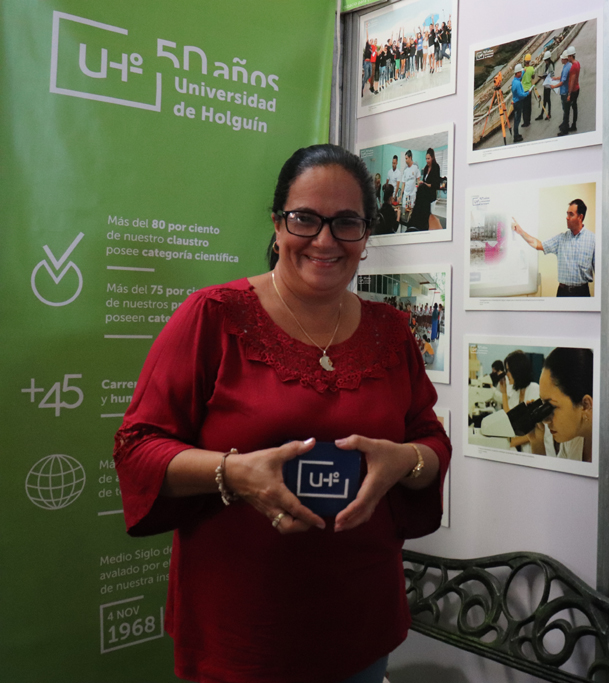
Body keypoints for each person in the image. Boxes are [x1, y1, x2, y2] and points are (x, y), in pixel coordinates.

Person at [112, 144, 451, 682]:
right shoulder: (213, 317)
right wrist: (232, 472)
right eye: (305, 219)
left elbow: (431, 442)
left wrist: (404, 460)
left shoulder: (391, 332)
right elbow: (138, 448)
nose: (324, 240)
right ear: (276, 224)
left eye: (346, 223)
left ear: (366, 238)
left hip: (363, 622)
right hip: (244, 632)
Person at [512, 199, 595, 297]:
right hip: (563, 293)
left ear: (580, 217)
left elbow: (601, 273)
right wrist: (521, 232)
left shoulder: (593, 239)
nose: (567, 218)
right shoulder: (561, 239)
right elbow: (537, 244)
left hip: (583, 293)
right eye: (567, 214)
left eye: (571, 214)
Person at [526, 347, 594, 462]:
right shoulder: (571, 438)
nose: (546, 420)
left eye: (551, 407)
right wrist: (537, 442)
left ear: (585, 405)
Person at [498, 350, 543, 454]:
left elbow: (536, 431)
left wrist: (512, 442)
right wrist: (504, 392)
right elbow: (508, 419)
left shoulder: (535, 390)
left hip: (539, 451)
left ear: (517, 370)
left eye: (509, 370)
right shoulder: (516, 393)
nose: (507, 374)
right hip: (524, 451)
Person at [408, 147, 441, 232]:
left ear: (432, 158)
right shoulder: (426, 168)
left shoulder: (436, 167)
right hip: (424, 192)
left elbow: (436, 185)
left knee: (421, 189)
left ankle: (418, 217)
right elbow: (424, 181)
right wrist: (423, 183)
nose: (427, 160)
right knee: (420, 188)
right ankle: (418, 216)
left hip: (431, 193)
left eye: (428, 159)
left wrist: (426, 184)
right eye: (426, 159)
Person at [557, 46, 581, 137]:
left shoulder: (573, 67)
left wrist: (569, 94)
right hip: (577, 88)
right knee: (574, 107)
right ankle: (573, 125)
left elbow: (572, 81)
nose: (568, 58)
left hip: (573, 90)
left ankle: (565, 129)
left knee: (566, 110)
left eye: (568, 56)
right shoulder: (577, 63)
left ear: (571, 56)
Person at [510, 63, 533, 143]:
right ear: (517, 73)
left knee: (517, 120)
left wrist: (523, 71)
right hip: (518, 103)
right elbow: (521, 94)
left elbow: (520, 77)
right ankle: (516, 136)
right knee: (517, 120)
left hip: (516, 102)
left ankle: (517, 134)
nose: (521, 73)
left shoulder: (514, 81)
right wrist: (528, 93)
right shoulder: (518, 83)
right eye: (520, 72)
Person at [535, 50, 556, 121]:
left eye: (545, 60)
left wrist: (545, 77)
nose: (545, 61)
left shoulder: (550, 65)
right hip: (546, 84)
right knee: (545, 100)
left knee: (548, 100)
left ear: (548, 59)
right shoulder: (547, 65)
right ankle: (542, 114)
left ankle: (548, 114)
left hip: (548, 84)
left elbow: (552, 75)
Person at [399, 150, 420, 214]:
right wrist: (400, 195)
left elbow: (418, 181)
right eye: (405, 159)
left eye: (406, 159)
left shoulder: (415, 167)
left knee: (412, 212)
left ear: (410, 158)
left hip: (412, 194)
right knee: (404, 212)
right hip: (406, 194)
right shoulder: (405, 170)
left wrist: (419, 193)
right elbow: (403, 184)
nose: (405, 160)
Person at [521, 53, 535, 127]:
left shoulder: (522, 70)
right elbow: (533, 77)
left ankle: (525, 122)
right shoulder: (532, 69)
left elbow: (519, 78)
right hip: (529, 89)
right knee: (529, 106)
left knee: (524, 107)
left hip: (523, 90)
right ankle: (528, 120)